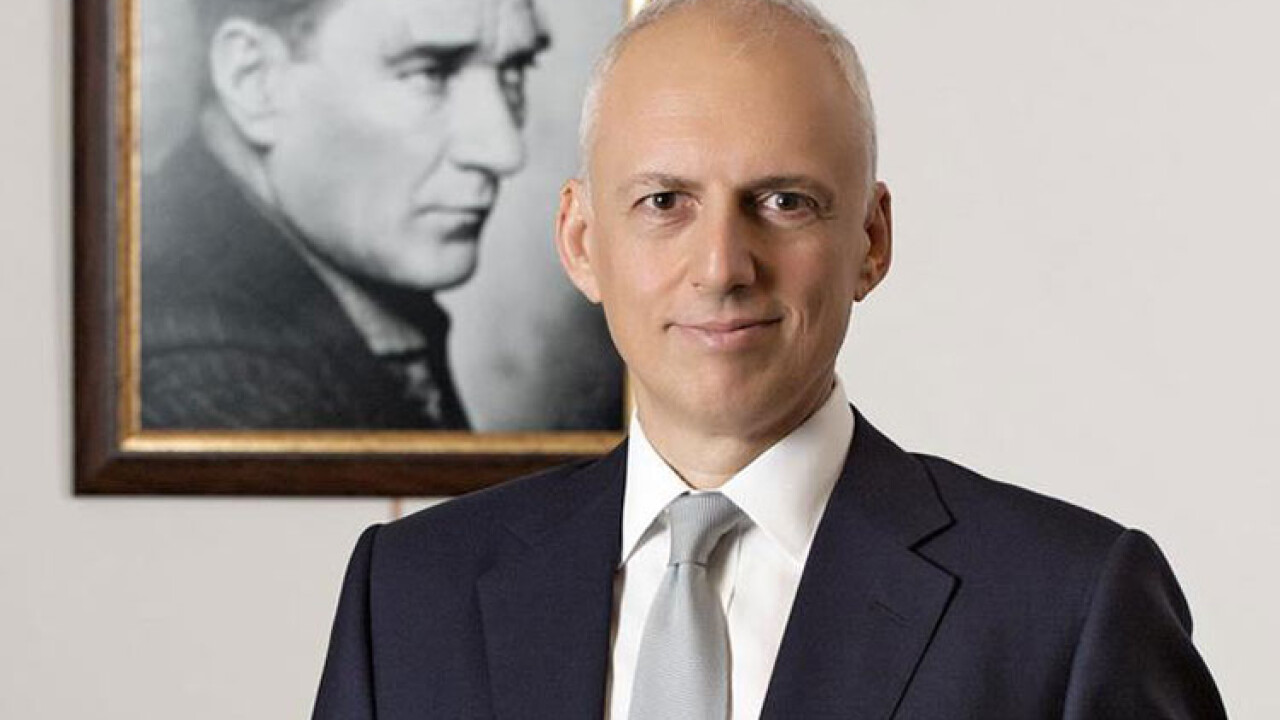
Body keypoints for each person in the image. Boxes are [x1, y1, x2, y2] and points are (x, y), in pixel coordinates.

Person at [313, 0, 1227, 717]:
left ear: (871, 240)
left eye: (785, 202)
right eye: (664, 202)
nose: (722, 266)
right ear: (582, 240)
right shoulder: (408, 596)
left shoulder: (1067, 606)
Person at [139, 0, 549, 429]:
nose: (505, 151)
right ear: (255, 79)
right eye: (429, 74)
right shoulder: (212, 383)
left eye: (514, 70)